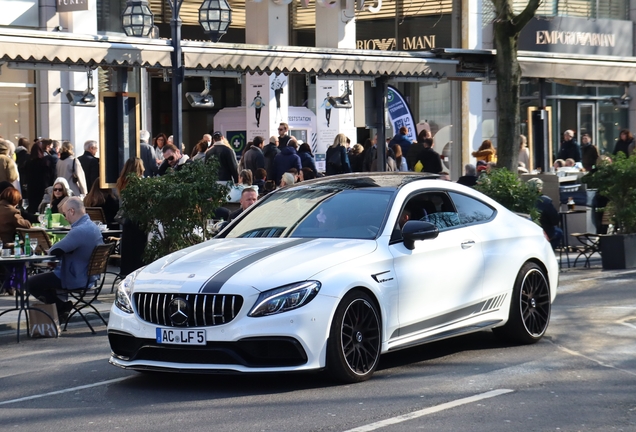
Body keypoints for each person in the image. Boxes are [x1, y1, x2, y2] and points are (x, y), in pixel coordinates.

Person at [28, 197, 103, 318]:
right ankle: (60, 309)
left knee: (29, 283)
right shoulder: (92, 226)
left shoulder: (79, 230)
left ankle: (61, 307)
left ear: (71, 211)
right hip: (88, 277)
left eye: (64, 214)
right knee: (45, 281)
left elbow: (54, 251)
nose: (65, 218)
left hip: (75, 278)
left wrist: (52, 255)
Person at [116, 158, 146, 276]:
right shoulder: (140, 183)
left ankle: (126, 273)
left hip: (127, 221)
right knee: (139, 251)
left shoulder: (122, 182)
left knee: (128, 250)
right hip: (138, 221)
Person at [527, 178, 563, 250]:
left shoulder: (522, 200)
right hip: (544, 232)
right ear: (540, 189)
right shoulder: (545, 201)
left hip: (527, 232)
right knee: (559, 232)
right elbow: (555, 220)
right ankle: (548, 252)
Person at [26, 141, 55, 214]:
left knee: (33, 207)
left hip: (32, 188)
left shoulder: (29, 162)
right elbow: (51, 174)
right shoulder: (46, 161)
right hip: (43, 187)